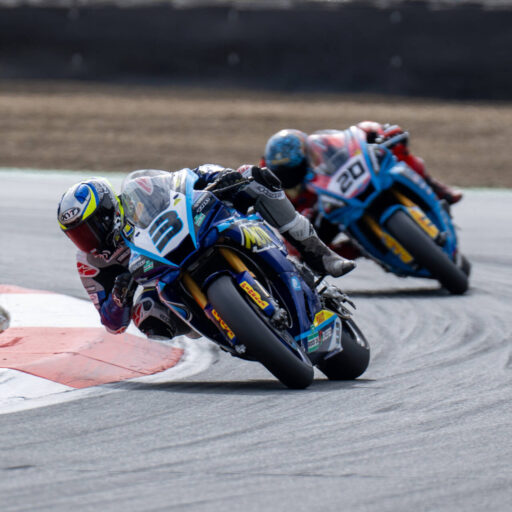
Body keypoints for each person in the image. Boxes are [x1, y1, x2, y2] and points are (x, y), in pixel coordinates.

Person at [57, 166, 356, 337]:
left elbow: (186, 177)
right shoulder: (90, 263)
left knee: (255, 176)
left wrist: (220, 176)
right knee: (147, 315)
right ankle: (230, 328)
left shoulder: (140, 192)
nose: (87, 240)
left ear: (109, 210)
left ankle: (317, 252)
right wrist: (119, 297)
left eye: (90, 228)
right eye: (76, 235)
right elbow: (112, 325)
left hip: (197, 233)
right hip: (165, 280)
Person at [262, 123, 463, 259]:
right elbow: (288, 232)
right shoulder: (272, 183)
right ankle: (361, 248)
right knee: (305, 250)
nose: (290, 177)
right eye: (285, 173)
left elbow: (357, 133)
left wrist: (380, 133)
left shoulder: (320, 145)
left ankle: (435, 187)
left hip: (350, 183)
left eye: (295, 169)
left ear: (306, 157)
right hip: (328, 211)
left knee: (396, 153)